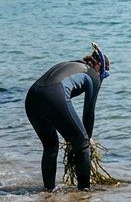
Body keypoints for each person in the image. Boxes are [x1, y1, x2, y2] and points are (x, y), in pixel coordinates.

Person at [25, 44, 110, 191]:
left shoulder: (73, 64)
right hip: (53, 95)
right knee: (82, 143)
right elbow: (89, 112)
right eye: (104, 74)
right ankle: (84, 192)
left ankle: (48, 191)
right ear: (99, 65)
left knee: (50, 145)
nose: (102, 78)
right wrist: (88, 138)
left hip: (32, 97)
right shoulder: (93, 75)